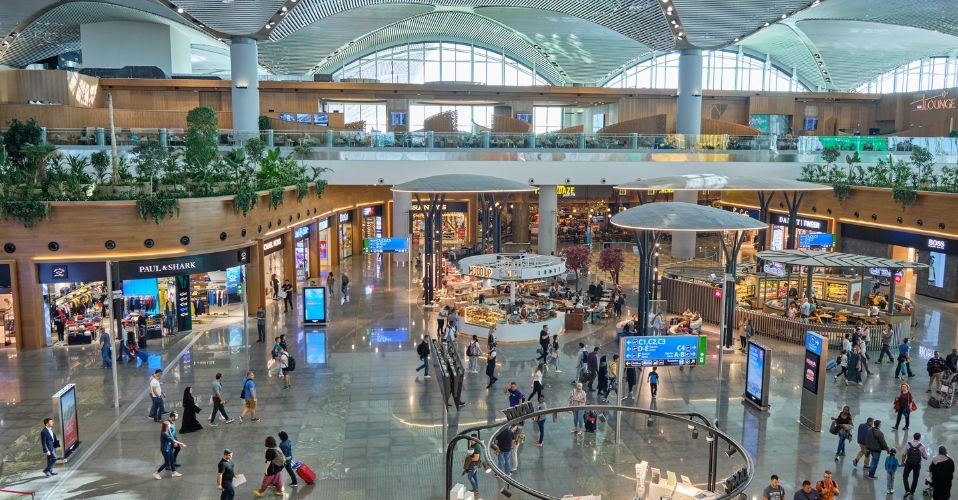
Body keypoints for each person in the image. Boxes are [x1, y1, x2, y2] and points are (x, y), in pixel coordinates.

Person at [900, 432, 929, 496]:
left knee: (905, 476)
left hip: (909, 463)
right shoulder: (922, 446)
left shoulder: (908, 444)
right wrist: (922, 455)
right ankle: (912, 491)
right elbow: (925, 457)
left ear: (913, 437)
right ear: (919, 438)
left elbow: (904, 454)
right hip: (917, 464)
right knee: (915, 478)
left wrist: (903, 462)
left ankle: (907, 490)